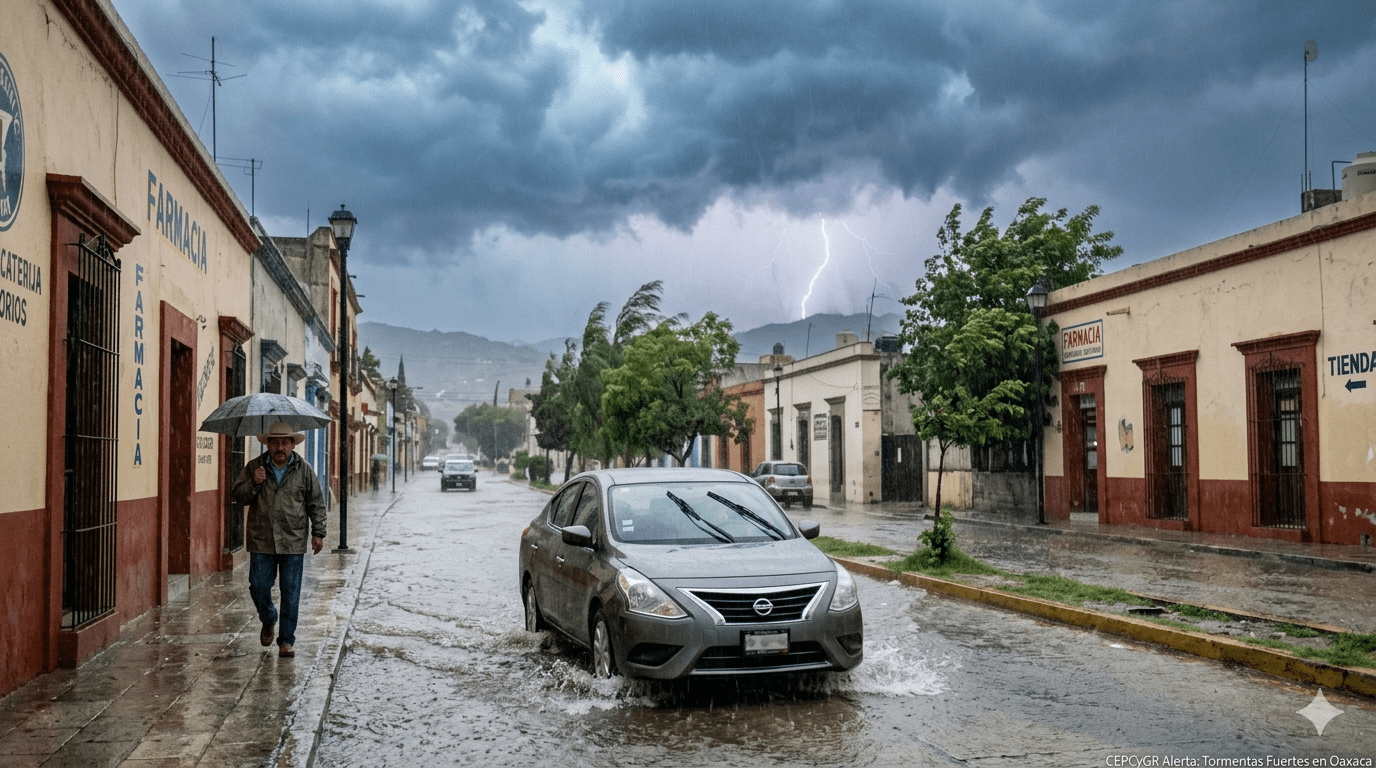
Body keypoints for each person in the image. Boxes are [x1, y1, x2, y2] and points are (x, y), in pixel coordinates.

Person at [232, 421, 326, 658]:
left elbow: (316, 501)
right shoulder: (255, 466)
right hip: (261, 538)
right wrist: (254, 482)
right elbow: (239, 496)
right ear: (268, 444)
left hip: (293, 539)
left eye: (285, 442)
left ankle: (286, 640)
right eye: (275, 442)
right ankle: (269, 617)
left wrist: (318, 532)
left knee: (291, 591)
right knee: (258, 586)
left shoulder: (304, 470)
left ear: (293, 444)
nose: (280, 447)